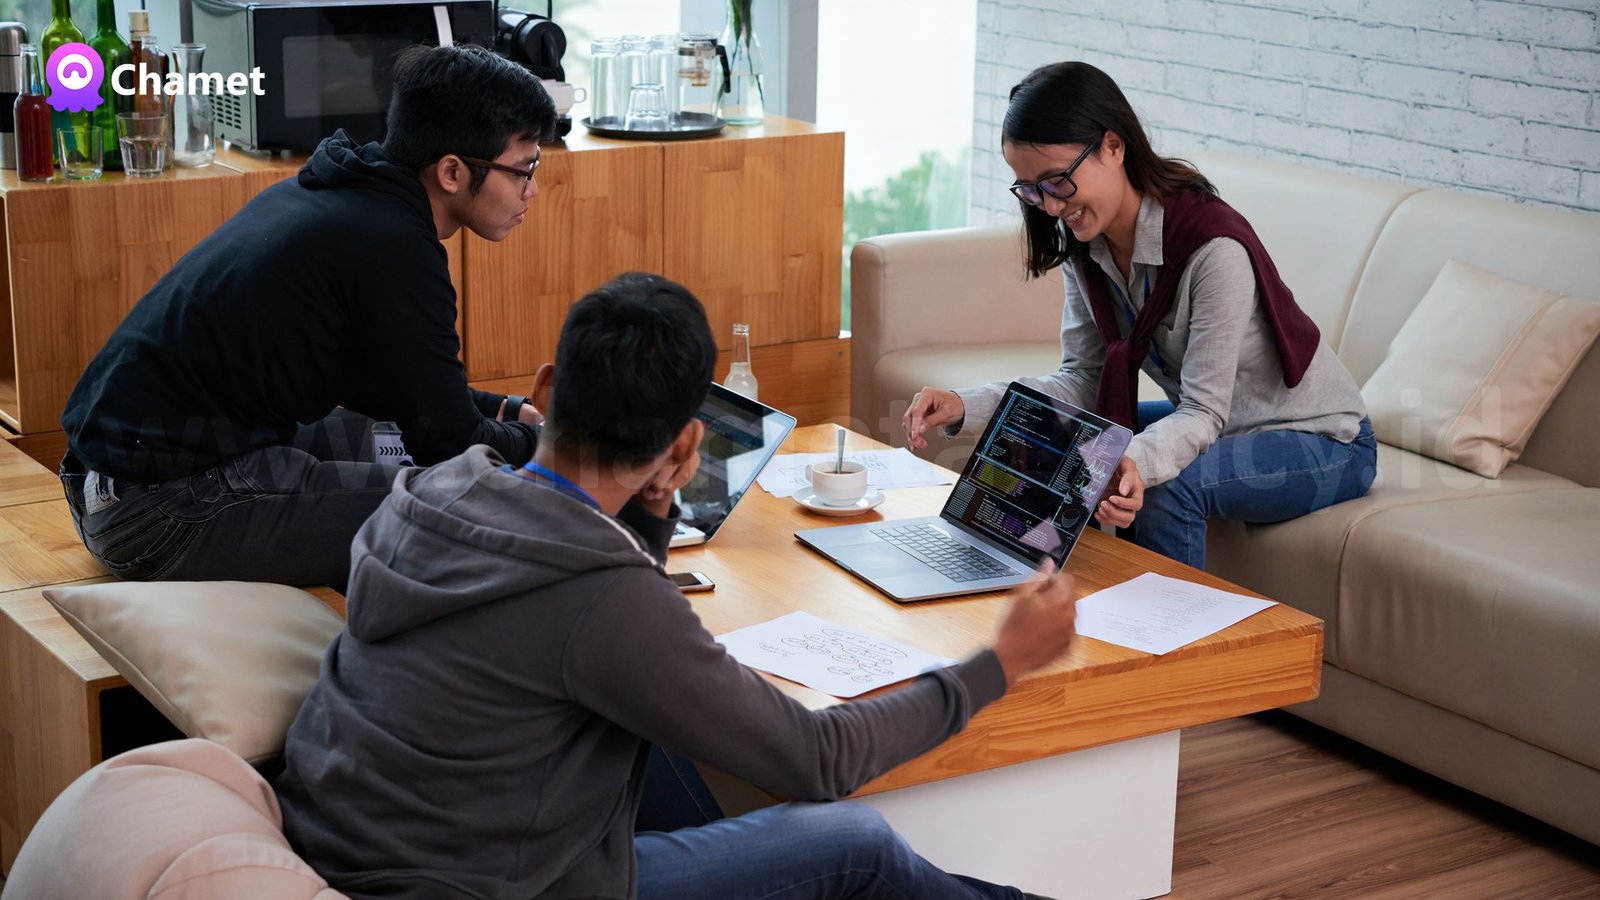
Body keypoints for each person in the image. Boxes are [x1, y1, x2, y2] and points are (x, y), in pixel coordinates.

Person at [274, 272, 1078, 900]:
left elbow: (584, 604)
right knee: (851, 842)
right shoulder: (600, 598)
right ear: (687, 447)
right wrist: (1000, 663)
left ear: (546, 390)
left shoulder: (429, 491)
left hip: (345, 843)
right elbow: (818, 759)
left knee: (666, 743)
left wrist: (652, 514)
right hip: (487, 887)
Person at [56, 44, 555, 587]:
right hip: (161, 512)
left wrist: (505, 412)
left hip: (108, 482)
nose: (532, 189)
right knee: (472, 502)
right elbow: (451, 445)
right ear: (452, 171)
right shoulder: (394, 247)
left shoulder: (340, 190)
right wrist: (555, 449)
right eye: (523, 169)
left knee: (379, 438)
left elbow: (412, 394)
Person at [905, 62, 1376, 569]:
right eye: (1031, 189)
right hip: (1224, 425)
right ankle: (1026, 598)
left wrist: (1137, 461)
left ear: (1113, 146)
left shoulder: (1213, 249)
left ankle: (1159, 621)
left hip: (1324, 441)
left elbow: (1203, 411)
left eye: (1057, 181)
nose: (1049, 207)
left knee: (1165, 485)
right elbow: (1083, 380)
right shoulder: (1088, 248)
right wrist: (963, 403)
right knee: (1058, 436)